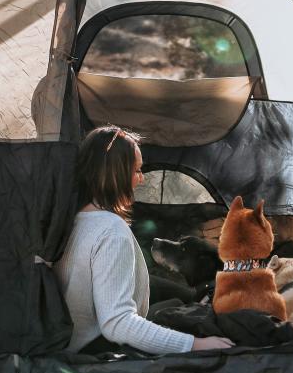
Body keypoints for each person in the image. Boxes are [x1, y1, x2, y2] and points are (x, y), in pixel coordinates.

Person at [56, 125, 235, 354]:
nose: (141, 179)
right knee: (178, 308)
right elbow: (118, 323)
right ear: (116, 175)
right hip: (96, 351)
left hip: (70, 341)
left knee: (178, 297)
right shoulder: (111, 231)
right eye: (137, 171)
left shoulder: (72, 220)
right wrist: (195, 344)